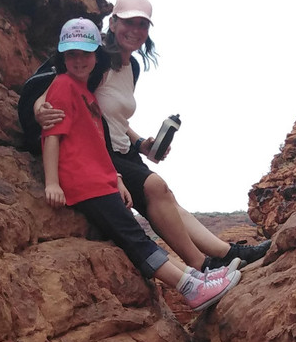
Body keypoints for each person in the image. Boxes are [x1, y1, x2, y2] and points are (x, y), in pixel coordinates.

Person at [30, 0, 270, 272]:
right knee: (156, 187)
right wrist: (40, 111)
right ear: (113, 22)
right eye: (129, 23)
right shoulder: (95, 60)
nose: (135, 31)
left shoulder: (131, 65)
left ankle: (227, 253)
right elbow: (53, 89)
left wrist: (142, 143)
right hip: (100, 153)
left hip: (124, 149)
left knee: (165, 196)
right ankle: (203, 263)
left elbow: (110, 114)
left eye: (142, 25)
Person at [41, 18, 240, 312]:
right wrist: (52, 182)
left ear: (96, 55)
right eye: (72, 54)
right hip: (82, 183)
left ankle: (197, 277)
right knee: (135, 238)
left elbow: (98, 144)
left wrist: (116, 178)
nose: (79, 60)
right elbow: (52, 135)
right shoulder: (62, 86)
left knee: (135, 234)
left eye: (85, 53)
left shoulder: (86, 93)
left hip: (100, 181)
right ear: (62, 56)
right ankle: (192, 288)